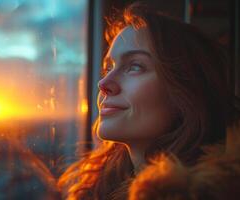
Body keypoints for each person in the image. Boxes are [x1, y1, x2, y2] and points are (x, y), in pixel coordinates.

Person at [57, 2, 240, 199]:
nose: (104, 82)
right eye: (108, 68)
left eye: (135, 67)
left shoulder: (206, 193)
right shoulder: (99, 187)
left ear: (185, 91)